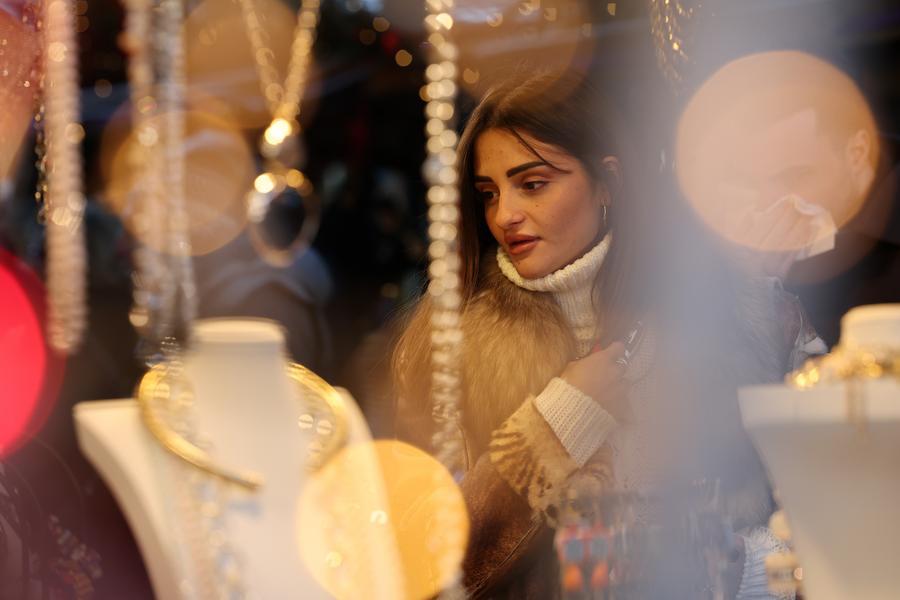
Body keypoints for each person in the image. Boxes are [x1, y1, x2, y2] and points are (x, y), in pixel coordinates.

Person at [392, 70, 820, 599]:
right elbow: (420, 557)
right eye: (488, 193)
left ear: (607, 182)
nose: (505, 215)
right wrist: (554, 425)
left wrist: (744, 572)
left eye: (532, 184)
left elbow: (830, 501)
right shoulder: (448, 347)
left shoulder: (737, 313)